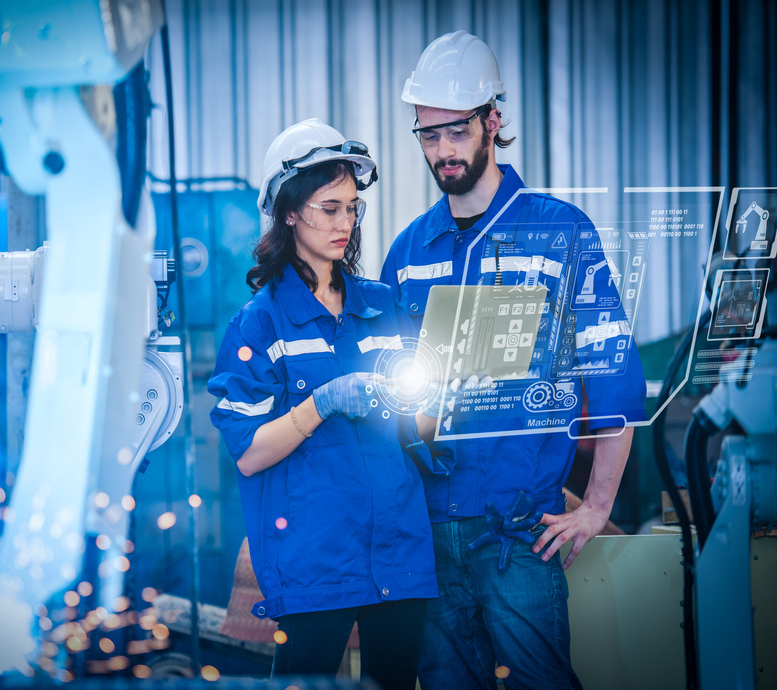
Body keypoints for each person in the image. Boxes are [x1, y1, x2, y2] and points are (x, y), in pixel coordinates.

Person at [380, 31, 647, 690]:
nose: (442, 150)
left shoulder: (560, 232)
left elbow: (613, 372)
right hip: (430, 540)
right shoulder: (409, 252)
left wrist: (595, 504)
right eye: (427, 135)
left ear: (492, 122)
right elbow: (389, 389)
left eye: (455, 131)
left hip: (520, 537)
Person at [208, 119, 438, 689]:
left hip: (399, 554)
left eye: (352, 209)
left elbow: (422, 428)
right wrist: (324, 402)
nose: (346, 223)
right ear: (288, 211)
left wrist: (448, 393)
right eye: (328, 208)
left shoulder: (382, 306)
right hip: (315, 564)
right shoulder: (260, 323)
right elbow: (249, 453)